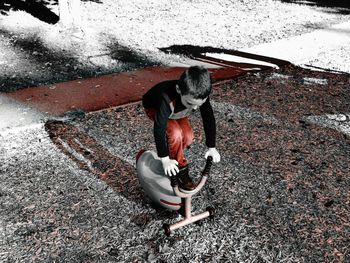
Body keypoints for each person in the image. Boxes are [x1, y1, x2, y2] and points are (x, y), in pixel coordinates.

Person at [142, 66, 221, 191]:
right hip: (155, 108)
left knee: (188, 137)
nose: (195, 108)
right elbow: (159, 128)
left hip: (178, 111)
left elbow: (209, 118)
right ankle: (180, 169)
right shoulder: (166, 98)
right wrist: (165, 159)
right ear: (179, 89)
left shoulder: (199, 95)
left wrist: (212, 147)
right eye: (191, 103)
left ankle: (173, 152)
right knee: (175, 133)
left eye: (198, 105)